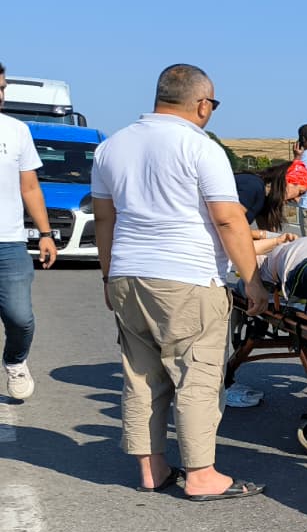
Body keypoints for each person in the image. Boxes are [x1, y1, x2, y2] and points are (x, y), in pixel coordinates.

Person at [90, 63, 269, 500]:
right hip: (187, 275)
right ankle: (201, 474)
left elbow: (105, 219)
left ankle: (152, 468)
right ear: (202, 104)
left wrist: (109, 275)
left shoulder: (111, 147)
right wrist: (252, 280)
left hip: (128, 274)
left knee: (141, 375)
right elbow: (228, 219)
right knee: (197, 375)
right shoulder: (200, 147)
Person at [0, 61, 57, 401]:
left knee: (20, 318)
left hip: (9, 243)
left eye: (2, 88)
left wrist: (46, 234)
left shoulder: (16, 131)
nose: (0, 95)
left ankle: (15, 360)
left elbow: (30, 187)